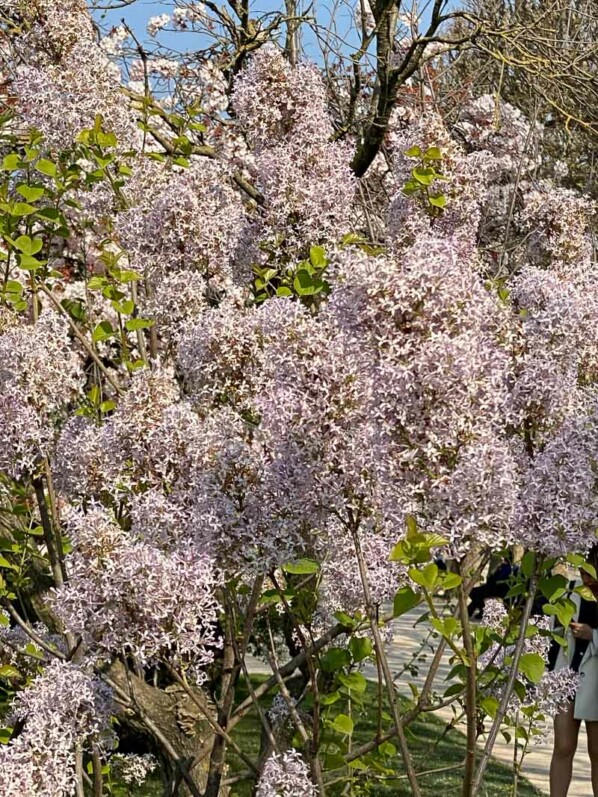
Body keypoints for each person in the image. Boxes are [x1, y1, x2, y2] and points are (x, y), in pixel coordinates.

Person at [549, 545, 598, 797]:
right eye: (583, 569)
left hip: (596, 685)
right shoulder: (570, 592)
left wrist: (594, 636)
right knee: (563, 746)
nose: (586, 577)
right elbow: (551, 633)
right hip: (567, 678)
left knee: (597, 753)